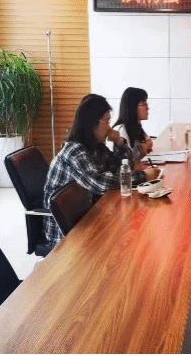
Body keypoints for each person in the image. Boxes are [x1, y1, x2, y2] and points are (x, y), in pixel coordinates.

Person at [43, 94, 160, 250]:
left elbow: (122, 167)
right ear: (93, 123)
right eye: (107, 122)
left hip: (89, 216)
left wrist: (119, 143)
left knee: (134, 232)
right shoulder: (75, 151)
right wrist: (143, 176)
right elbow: (100, 183)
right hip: (66, 235)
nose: (110, 128)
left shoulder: (95, 146)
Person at [113, 87, 153, 165]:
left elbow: (149, 141)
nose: (147, 108)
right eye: (144, 104)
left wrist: (145, 145)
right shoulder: (121, 131)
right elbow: (126, 164)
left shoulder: (136, 126)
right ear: (132, 107)